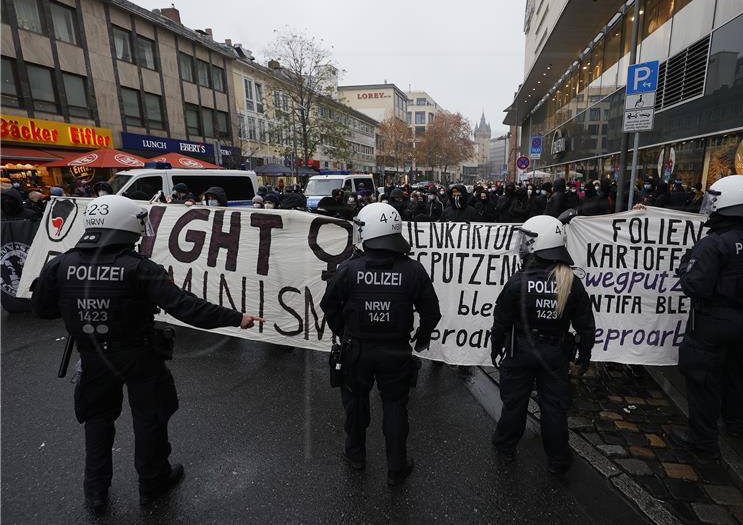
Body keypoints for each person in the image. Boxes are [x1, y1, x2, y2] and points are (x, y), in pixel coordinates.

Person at [29, 195, 263, 512]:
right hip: (139, 354)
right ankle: (152, 483)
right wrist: (236, 318)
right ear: (125, 226)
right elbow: (186, 307)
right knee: (150, 418)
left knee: (97, 421)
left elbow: (42, 309)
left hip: (93, 355)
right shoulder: (140, 268)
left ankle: (95, 493)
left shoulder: (60, 264)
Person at [670, 175, 743, 460]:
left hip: (712, 323)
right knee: (736, 375)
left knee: (703, 381)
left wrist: (687, 265)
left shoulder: (714, 244)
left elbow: (694, 286)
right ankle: (736, 424)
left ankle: (703, 442)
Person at [320, 202, 441, 486]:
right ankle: (396, 468)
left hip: (356, 351)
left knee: (355, 404)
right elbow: (431, 313)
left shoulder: (348, 269)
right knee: (395, 407)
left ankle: (356, 456)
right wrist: (421, 337)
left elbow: (330, 306)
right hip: (396, 351)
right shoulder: (414, 270)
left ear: (368, 231)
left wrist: (343, 332)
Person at [491, 215, 594, 473]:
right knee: (554, 408)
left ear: (539, 244)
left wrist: (496, 347)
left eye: (527, 241)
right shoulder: (571, 281)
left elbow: (501, 320)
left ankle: (505, 449)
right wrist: (584, 356)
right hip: (555, 354)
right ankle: (558, 460)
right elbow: (585, 324)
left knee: (514, 403)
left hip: (520, 352)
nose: (523, 246)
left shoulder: (517, 281)